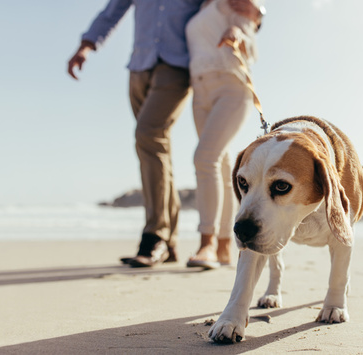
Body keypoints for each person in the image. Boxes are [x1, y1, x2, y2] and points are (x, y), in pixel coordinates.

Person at [67, 0, 263, 268]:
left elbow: (247, 14)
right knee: (159, 150)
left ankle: (159, 237)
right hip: (142, 64)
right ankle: (177, 242)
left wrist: (250, 22)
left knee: (152, 136)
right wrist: (86, 46)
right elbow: (113, 11)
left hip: (179, 68)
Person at [184, 0, 264, 269]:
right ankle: (223, 247)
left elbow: (249, 34)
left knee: (204, 158)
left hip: (231, 86)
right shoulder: (199, 7)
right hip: (200, 90)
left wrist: (238, 34)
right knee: (221, 164)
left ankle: (206, 243)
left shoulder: (237, 3)